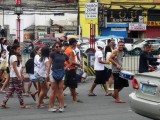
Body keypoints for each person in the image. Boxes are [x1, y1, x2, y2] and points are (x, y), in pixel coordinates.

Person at [47, 41, 71, 112]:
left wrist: (65, 68)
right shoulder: (52, 54)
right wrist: (47, 74)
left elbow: (70, 62)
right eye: (57, 47)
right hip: (53, 72)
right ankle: (51, 106)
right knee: (53, 90)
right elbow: (49, 64)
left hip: (61, 72)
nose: (58, 48)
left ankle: (62, 106)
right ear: (54, 47)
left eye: (60, 46)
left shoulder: (64, 55)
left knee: (60, 90)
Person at [64, 38, 82, 103]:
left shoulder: (67, 49)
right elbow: (71, 62)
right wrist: (79, 64)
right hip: (71, 69)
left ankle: (74, 98)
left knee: (67, 84)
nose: (76, 43)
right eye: (76, 42)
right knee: (72, 85)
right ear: (73, 43)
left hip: (68, 68)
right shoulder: (71, 51)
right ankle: (74, 99)